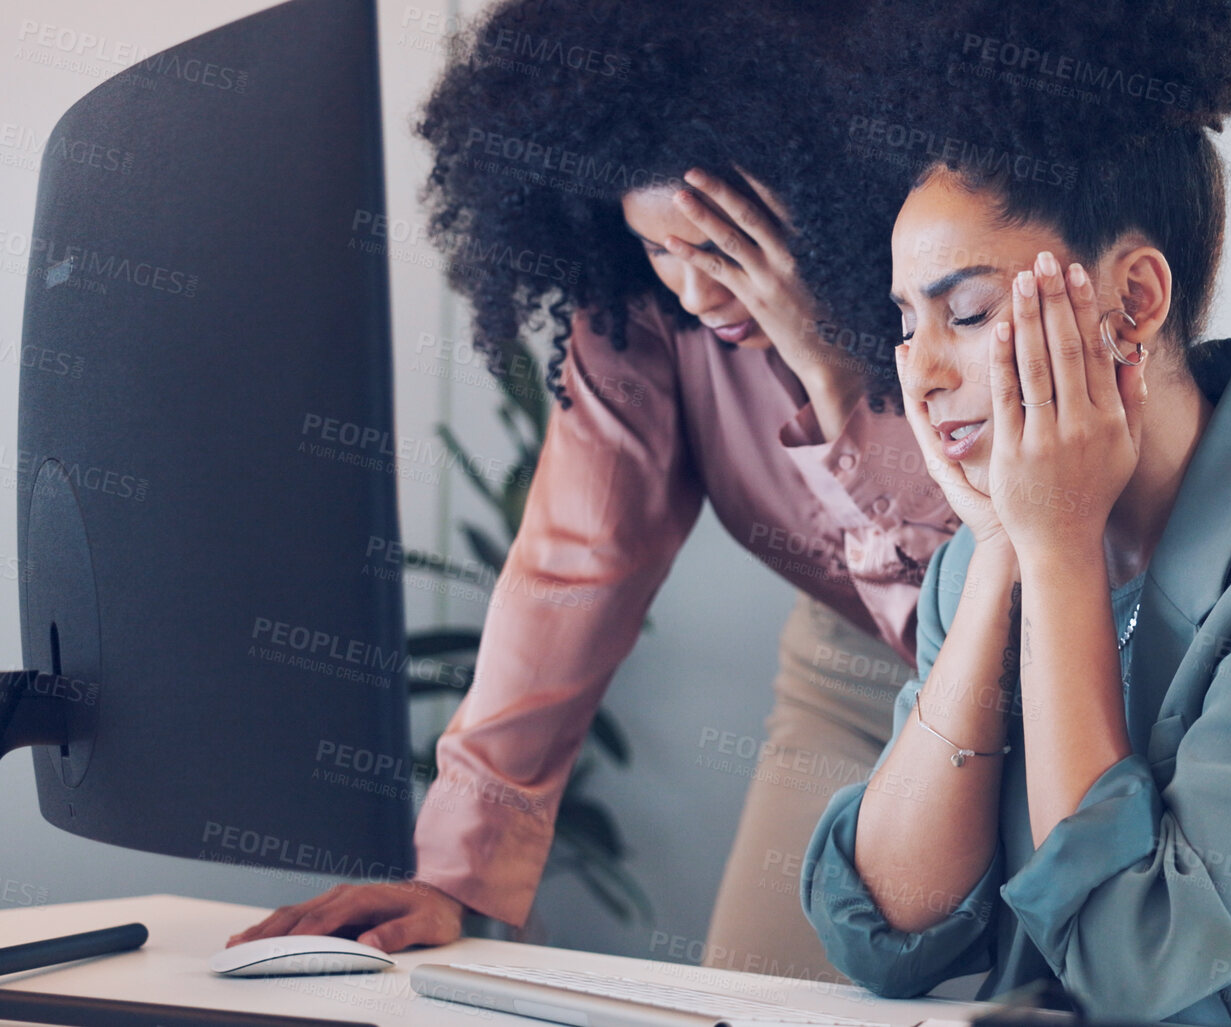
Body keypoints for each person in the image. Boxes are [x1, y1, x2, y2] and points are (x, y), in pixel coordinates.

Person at [799, 1, 1231, 1022]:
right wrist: (1008, 545)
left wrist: (1055, 552)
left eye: (968, 311)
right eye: (906, 322)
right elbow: (887, 932)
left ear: (1133, 302)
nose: (921, 371)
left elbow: (1132, 963)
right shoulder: (981, 558)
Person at [229, 0, 952, 981]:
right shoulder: (641, 323)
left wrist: (828, 369)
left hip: (1058, 665)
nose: (696, 294)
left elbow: (998, 566)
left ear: (823, 191)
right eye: (660, 248)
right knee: (758, 996)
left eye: (723, 249)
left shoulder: (953, 275)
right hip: (855, 672)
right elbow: (574, 563)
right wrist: (453, 874)